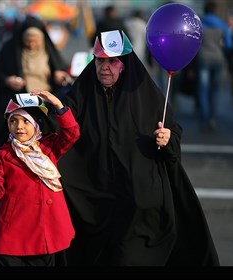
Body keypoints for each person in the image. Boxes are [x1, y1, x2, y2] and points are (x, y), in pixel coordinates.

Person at [56, 30, 220, 266]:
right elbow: (61, 123)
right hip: (93, 202)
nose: (105, 67)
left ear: (124, 64)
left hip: (138, 203)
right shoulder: (82, 92)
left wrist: (167, 138)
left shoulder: (146, 95)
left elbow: (173, 134)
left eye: (113, 61)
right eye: (100, 60)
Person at [0, 91, 80, 266]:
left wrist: (58, 105)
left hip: (46, 233)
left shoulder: (49, 147)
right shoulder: (2, 154)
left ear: (37, 124)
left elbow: (71, 134)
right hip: (14, 234)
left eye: (26, 121)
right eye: (13, 120)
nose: (19, 126)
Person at [0, 15, 71, 152]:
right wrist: (7, 80)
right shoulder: (10, 49)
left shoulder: (49, 52)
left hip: (43, 105)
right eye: (28, 40)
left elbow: (61, 71)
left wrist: (59, 76)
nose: (31, 44)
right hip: (18, 103)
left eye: (35, 41)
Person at [196, 1, 233, 131]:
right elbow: (229, 45)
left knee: (203, 90)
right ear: (215, 11)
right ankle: (212, 117)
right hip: (218, 59)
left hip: (203, 59)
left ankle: (204, 117)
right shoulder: (222, 25)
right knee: (214, 90)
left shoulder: (199, 24)